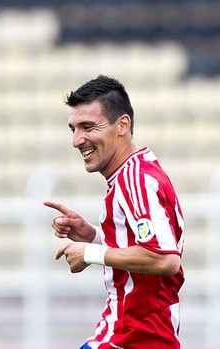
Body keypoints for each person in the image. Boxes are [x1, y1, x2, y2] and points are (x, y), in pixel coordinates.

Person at [44, 75, 185, 349]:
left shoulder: (135, 179)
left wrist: (90, 254)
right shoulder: (134, 174)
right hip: (133, 334)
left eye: (88, 127)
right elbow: (144, 247)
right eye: (73, 128)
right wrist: (93, 236)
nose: (77, 140)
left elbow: (166, 259)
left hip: (134, 338)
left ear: (122, 125)